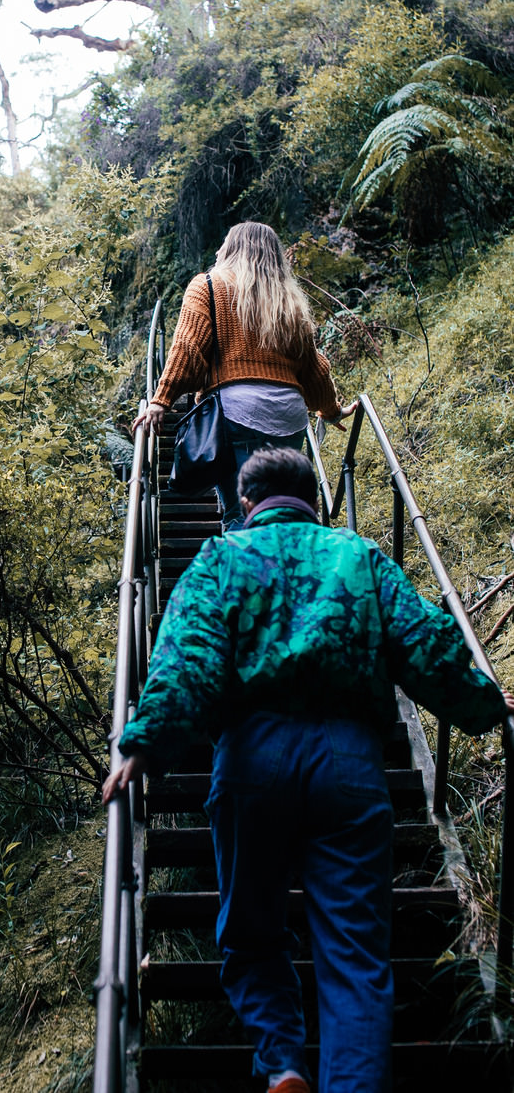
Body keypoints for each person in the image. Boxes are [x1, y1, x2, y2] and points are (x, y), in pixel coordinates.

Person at [102, 446, 514, 1093]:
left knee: (252, 936)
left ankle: (284, 1063)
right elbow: (424, 642)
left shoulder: (220, 559)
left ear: (245, 502)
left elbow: (189, 657)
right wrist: (486, 702)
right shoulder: (357, 555)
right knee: (354, 956)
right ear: (312, 499)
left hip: (251, 758)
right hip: (350, 763)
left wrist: (143, 742)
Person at [133, 222, 356, 528]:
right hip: (288, 417)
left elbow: (188, 347)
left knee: (241, 514)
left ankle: (246, 573)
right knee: (281, 513)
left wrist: (162, 400)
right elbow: (311, 368)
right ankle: (288, 571)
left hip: (237, 413)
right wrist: (330, 410)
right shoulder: (288, 300)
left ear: (230, 248)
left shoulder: (208, 286)